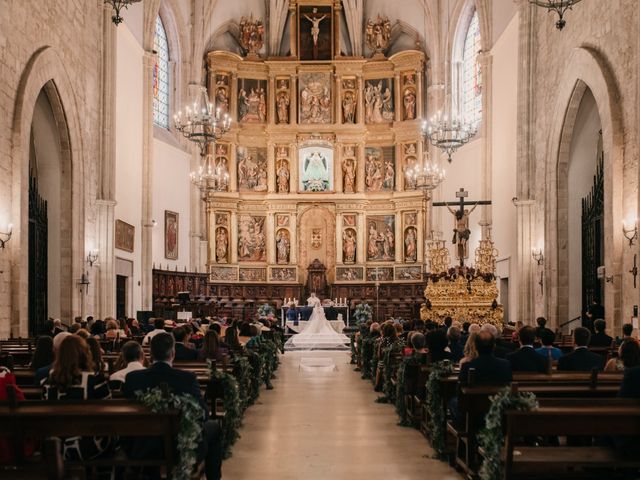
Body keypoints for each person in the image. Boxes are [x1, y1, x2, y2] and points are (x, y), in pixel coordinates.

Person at [123, 334, 222, 480]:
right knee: (214, 427)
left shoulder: (133, 378)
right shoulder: (186, 378)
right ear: (173, 353)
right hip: (180, 447)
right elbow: (202, 413)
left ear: (150, 353)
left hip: (142, 446)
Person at [42, 335, 112, 460]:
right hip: (88, 444)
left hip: (56, 445)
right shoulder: (95, 380)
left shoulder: (48, 382)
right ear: (84, 353)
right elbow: (108, 410)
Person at [283, 293, 349, 350]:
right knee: (325, 328)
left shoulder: (314, 309)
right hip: (321, 321)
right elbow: (323, 315)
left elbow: (314, 315)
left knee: (312, 328)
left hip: (315, 321)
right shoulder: (322, 308)